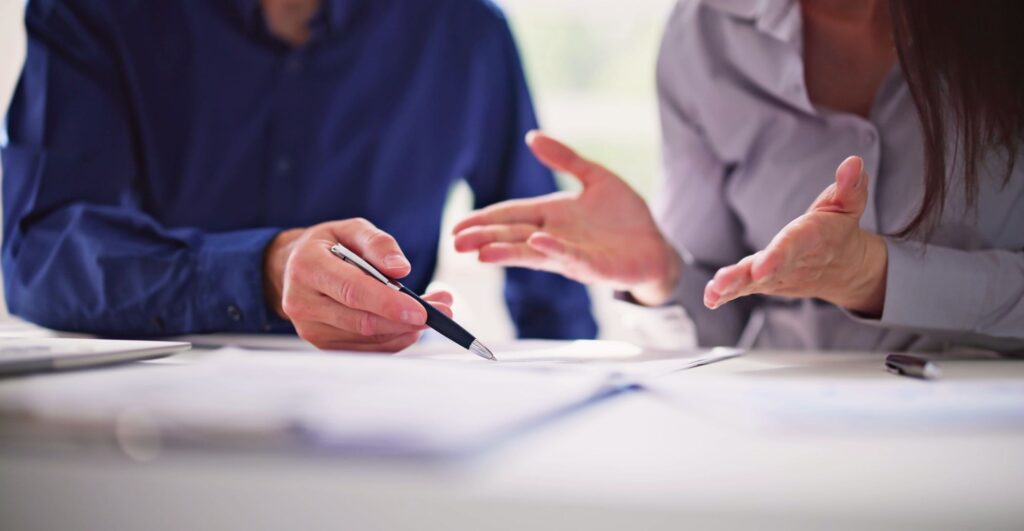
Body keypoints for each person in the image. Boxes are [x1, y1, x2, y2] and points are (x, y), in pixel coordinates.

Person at [1, 0, 598, 351]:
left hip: (386, 431)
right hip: (139, 428)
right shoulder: (94, 12)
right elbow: (39, 254)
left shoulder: (465, 31)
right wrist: (260, 270)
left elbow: (545, 273)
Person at [454, 0, 1024, 352]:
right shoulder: (704, 29)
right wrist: (661, 273)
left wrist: (874, 277)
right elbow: (723, 320)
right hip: (774, 432)